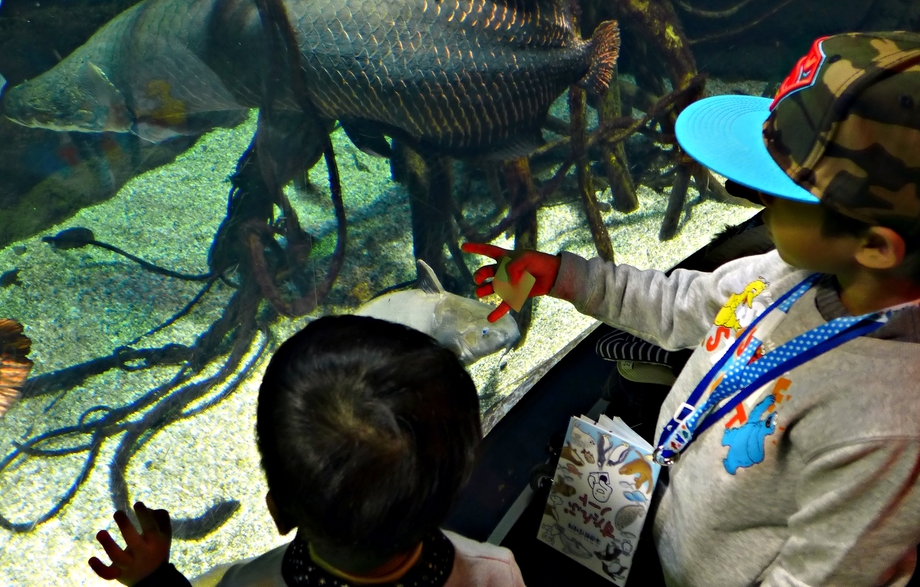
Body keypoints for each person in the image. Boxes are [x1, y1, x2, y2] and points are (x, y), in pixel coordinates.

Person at [465, 32, 920, 586]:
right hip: (661, 522)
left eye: (777, 190)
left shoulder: (888, 430)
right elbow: (679, 304)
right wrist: (566, 278)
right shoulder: (788, 273)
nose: (746, 192)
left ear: (875, 246)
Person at [88, 315, 526, 587]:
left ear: (278, 512)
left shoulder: (249, 584)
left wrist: (153, 578)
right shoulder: (494, 572)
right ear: (457, 488)